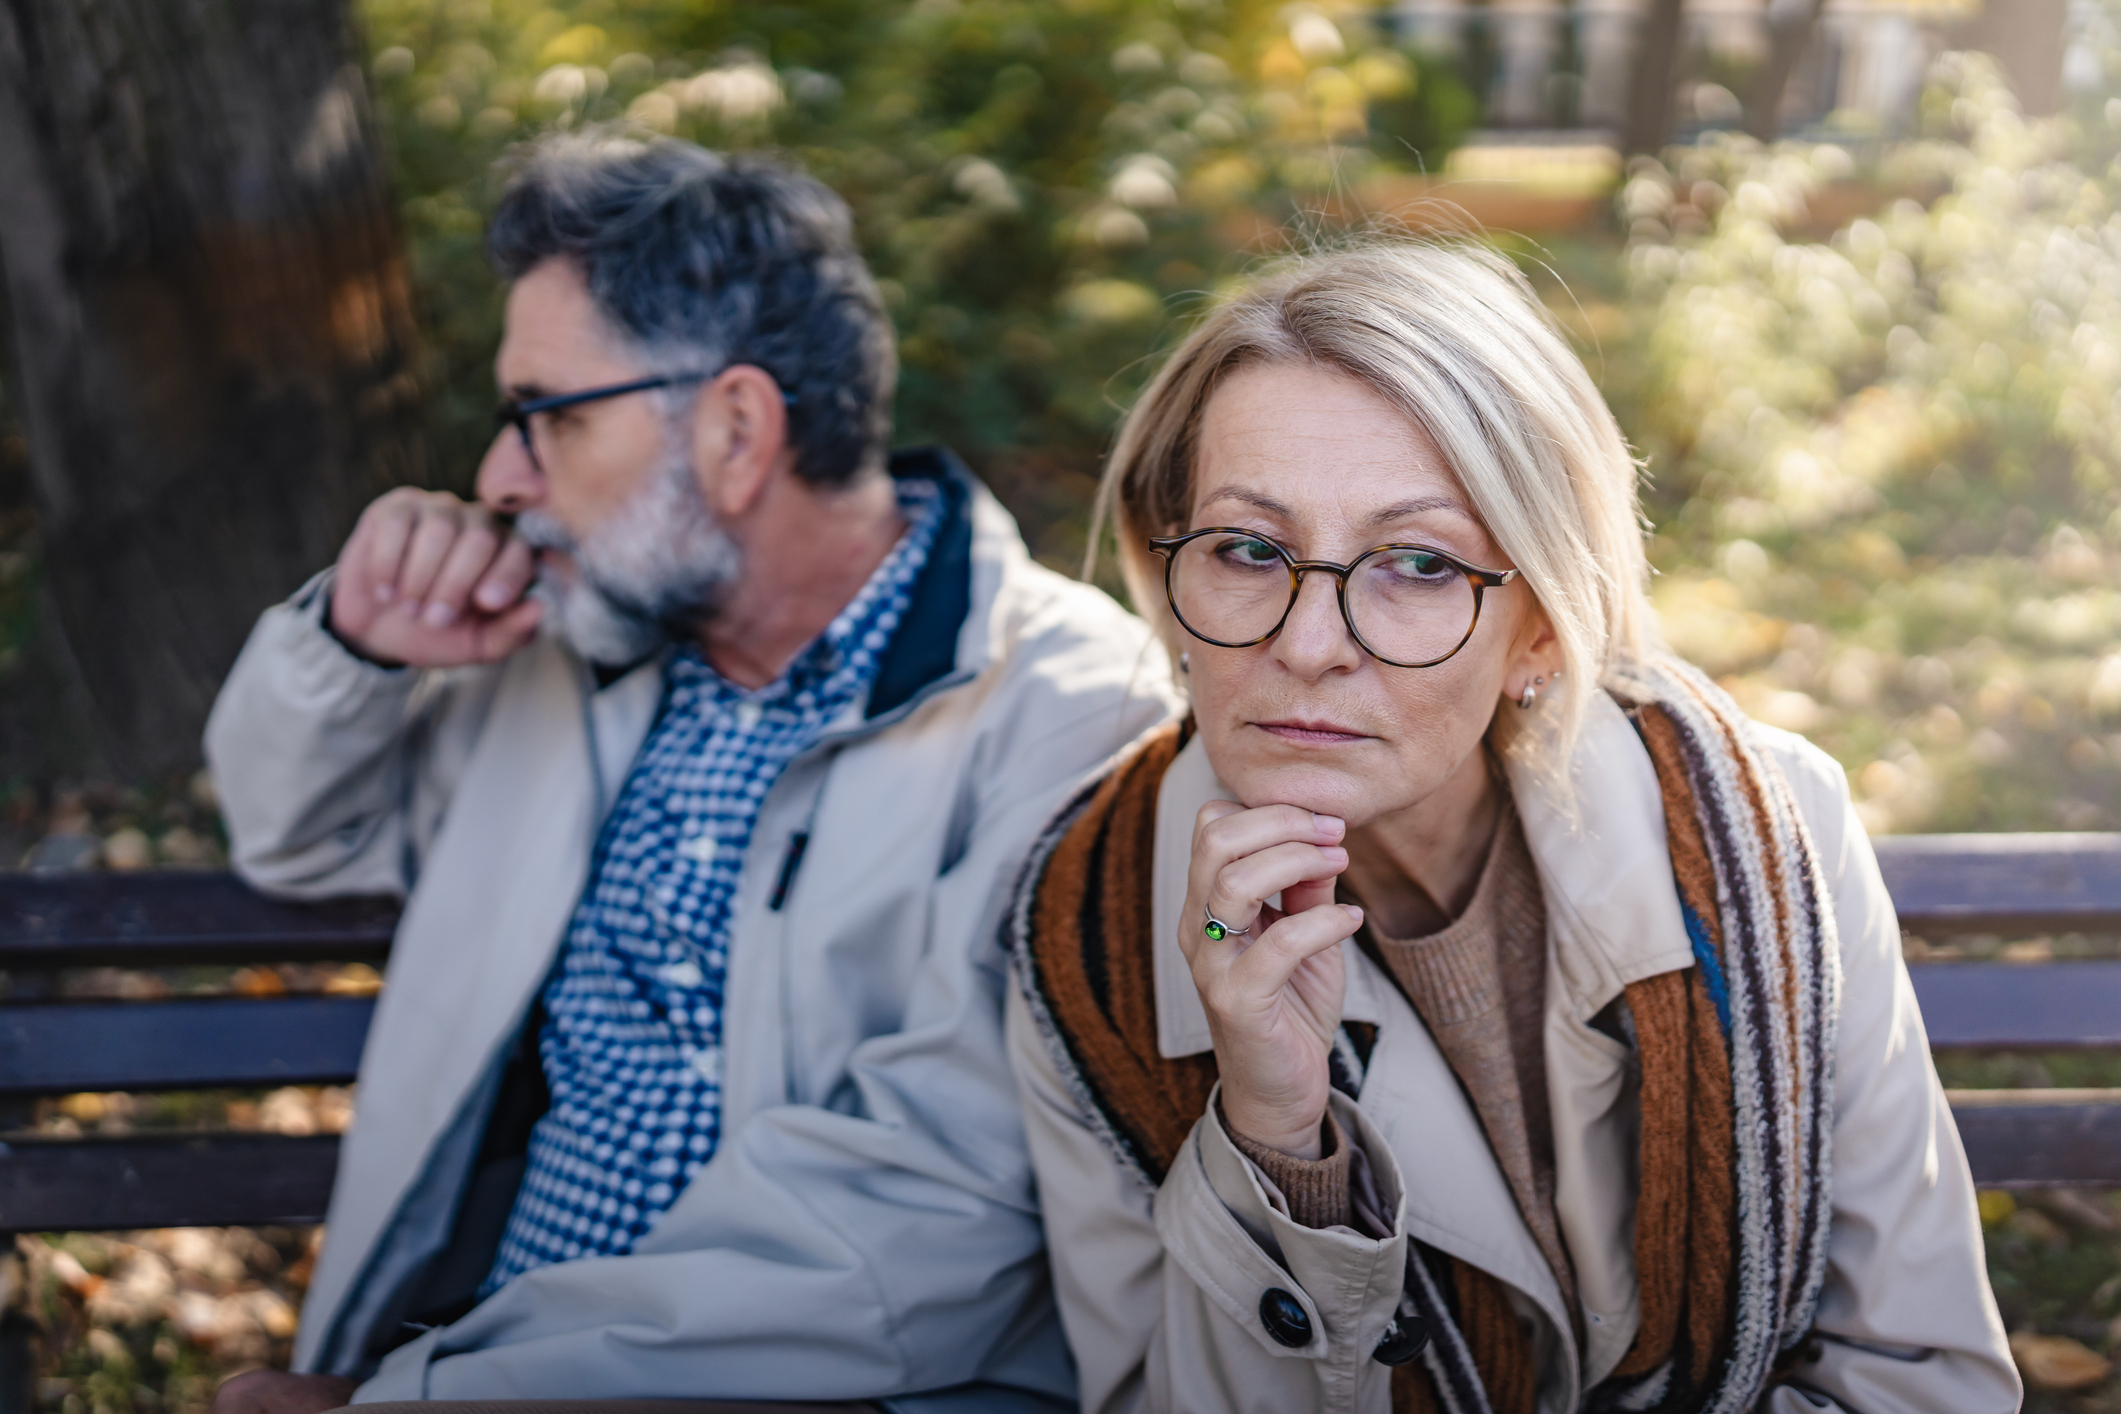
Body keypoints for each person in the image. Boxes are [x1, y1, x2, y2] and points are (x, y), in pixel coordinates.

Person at [204, 130, 1175, 1414]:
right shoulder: (566, 651)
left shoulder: (1069, 704)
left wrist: (436, 1399)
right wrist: (356, 646)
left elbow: (939, 1206)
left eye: (541, 417)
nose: (497, 479)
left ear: (733, 429)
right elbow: (290, 838)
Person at [1005, 242, 2018, 1413]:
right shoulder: (1089, 929)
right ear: (1167, 569)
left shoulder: (1766, 836)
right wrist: (1275, 1142)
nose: (1309, 644)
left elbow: (1916, 1379)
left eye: (1417, 563)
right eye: (1246, 549)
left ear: (1539, 628)